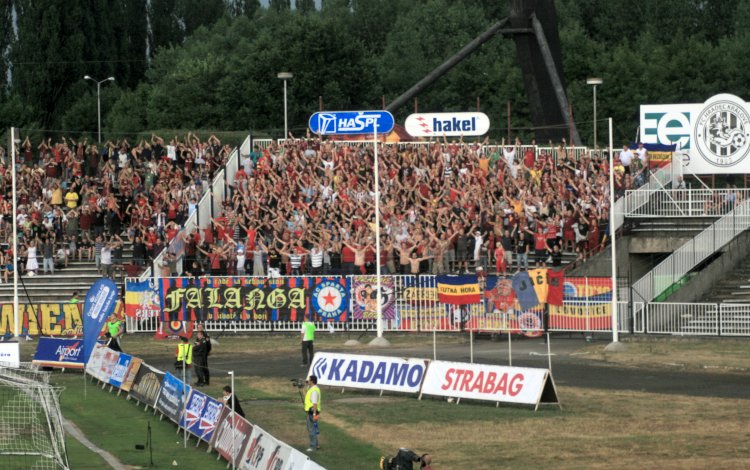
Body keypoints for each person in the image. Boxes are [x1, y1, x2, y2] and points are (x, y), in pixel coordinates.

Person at [304, 375, 321, 452]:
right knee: (314, 429)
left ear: (312, 381)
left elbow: (314, 403)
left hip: (312, 413)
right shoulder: (314, 389)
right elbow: (307, 397)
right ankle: (317, 444)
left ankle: (312, 446)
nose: (308, 381)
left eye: (309, 380)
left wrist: (314, 414)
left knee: (311, 430)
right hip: (314, 412)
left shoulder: (314, 391)